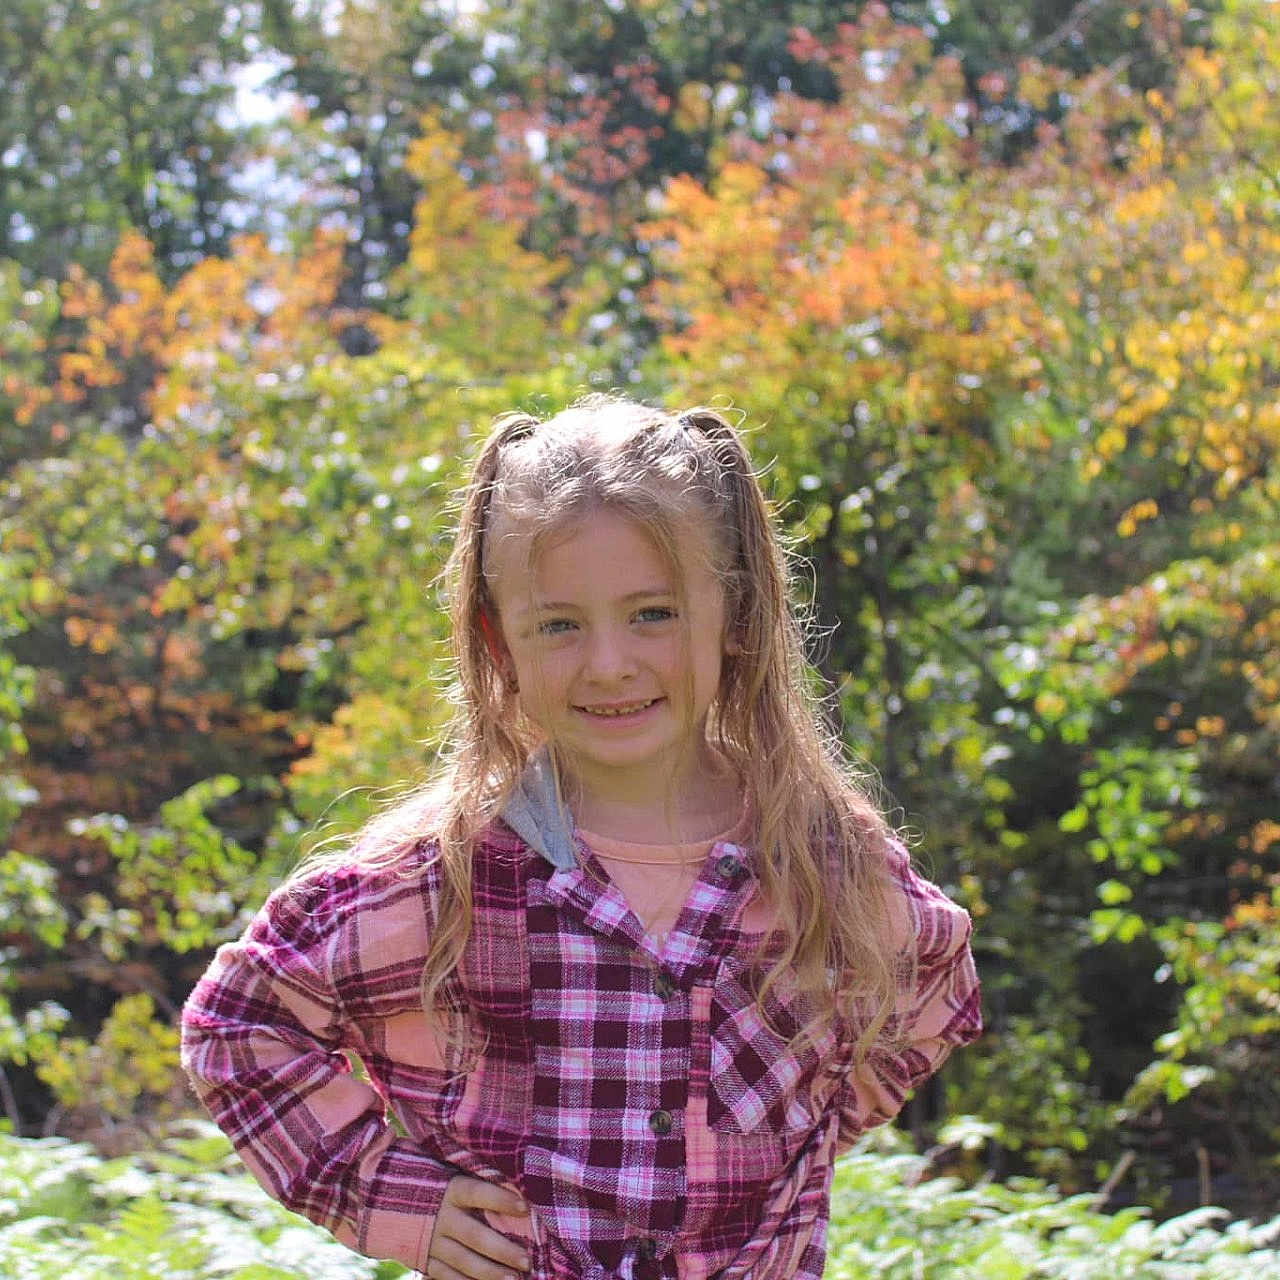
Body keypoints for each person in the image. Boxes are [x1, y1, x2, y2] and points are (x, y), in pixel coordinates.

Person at [181, 395, 981, 1280]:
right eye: (559, 625)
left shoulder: (821, 863)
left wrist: (808, 1132)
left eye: (654, 613)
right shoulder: (438, 879)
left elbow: (935, 987)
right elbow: (237, 1024)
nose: (609, 665)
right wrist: (392, 1197)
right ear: (500, 642)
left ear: (737, 614)